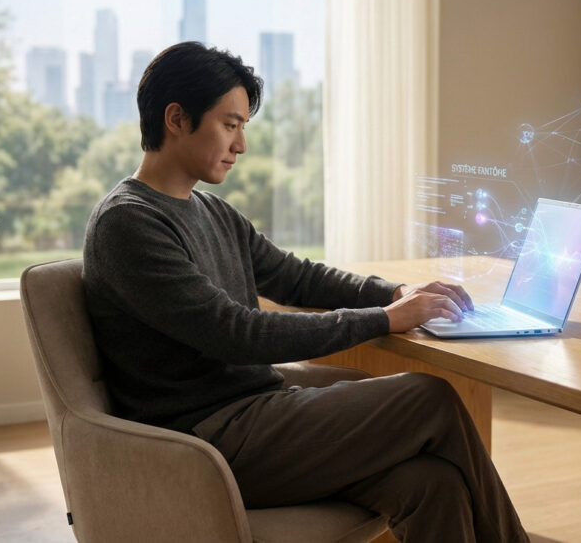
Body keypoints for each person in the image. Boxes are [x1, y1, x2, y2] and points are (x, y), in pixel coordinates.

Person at [82, 41, 528, 543]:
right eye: (230, 125)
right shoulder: (128, 223)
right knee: (431, 398)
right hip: (204, 442)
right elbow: (236, 333)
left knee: (432, 483)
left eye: (243, 127)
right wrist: (386, 319)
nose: (241, 145)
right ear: (177, 119)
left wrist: (396, 292)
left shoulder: (213, 212)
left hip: (257, 415)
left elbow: (297, 277)